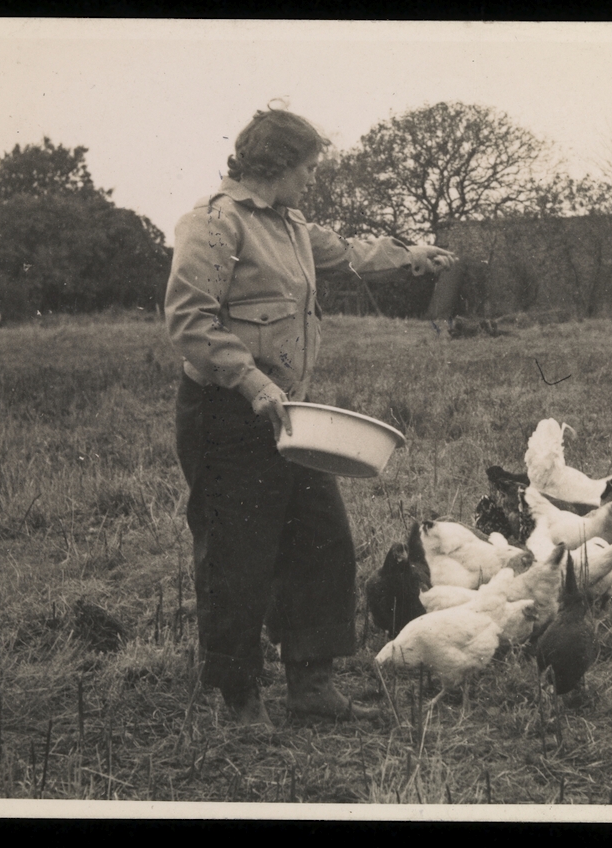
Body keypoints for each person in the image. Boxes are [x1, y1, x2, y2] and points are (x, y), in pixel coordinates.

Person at [165, 107, 455, 727]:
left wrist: (411, 255)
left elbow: (349, 251)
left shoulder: (290, 225)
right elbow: (190, 322)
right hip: (226, 413)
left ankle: (311, 687)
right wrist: (251, 381)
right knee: (237, 555)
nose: (314, 179)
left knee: (322, 541)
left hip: (287, 414)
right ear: (276, 162)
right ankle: (241, 700)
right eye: (310, 166)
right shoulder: (215, 223)